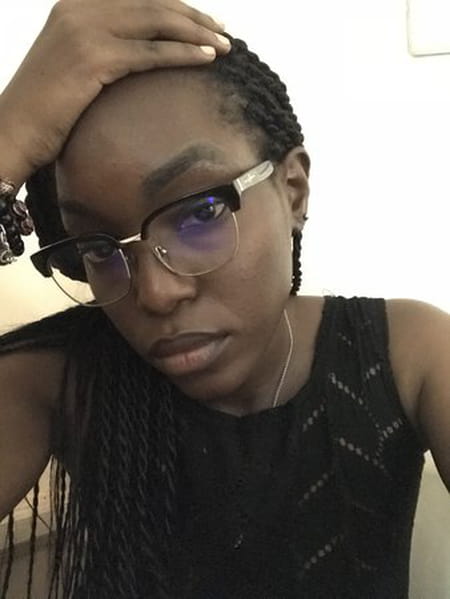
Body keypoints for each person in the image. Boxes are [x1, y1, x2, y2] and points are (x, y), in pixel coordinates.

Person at [0, 1, 448, 597]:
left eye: (200, 213)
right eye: (99, 247)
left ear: (293, 191)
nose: (155, 293)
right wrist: (5, 137)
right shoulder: (60, 379)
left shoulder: (409, 353)